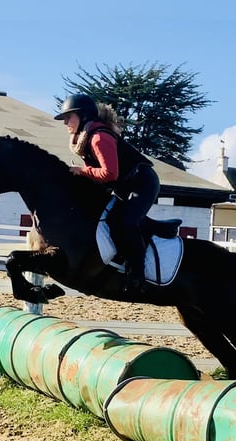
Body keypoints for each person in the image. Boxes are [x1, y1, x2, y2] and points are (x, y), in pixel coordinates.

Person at [55, 94, 159, 295]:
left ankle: (138, 275)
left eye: (69, 117)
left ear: (84, 116)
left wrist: (82, 171)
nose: (65, 122)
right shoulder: (84, 139)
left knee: (129, 223)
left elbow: (109, 173)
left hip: (142, 183)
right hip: (126, 185)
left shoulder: (99, 137)